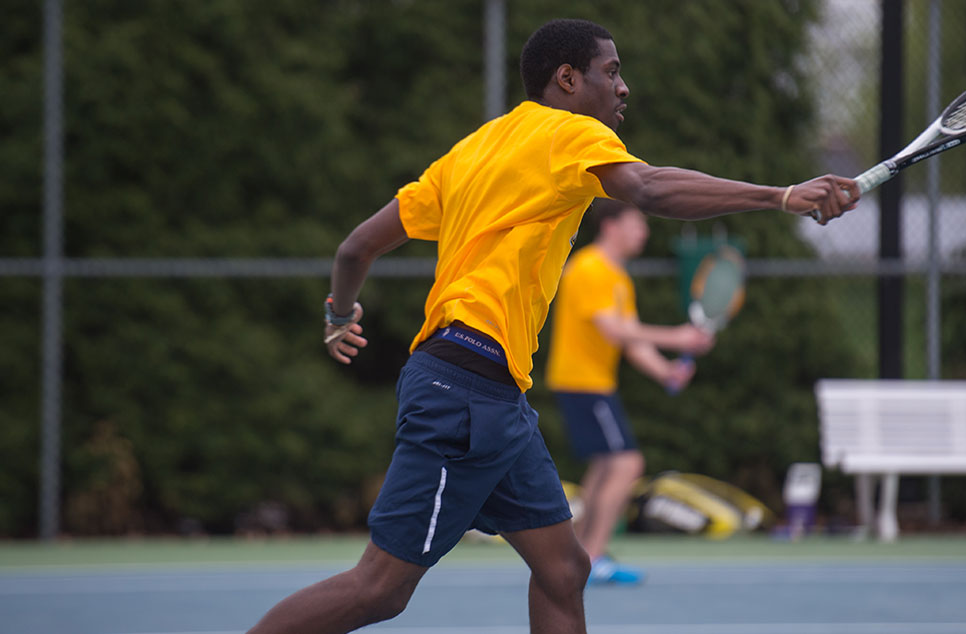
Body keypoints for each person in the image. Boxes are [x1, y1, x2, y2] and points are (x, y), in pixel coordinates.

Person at [247, 17, 858, 634]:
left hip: (489, 395)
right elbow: (647, 187)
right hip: (461, 391)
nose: (623, 88)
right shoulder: (567, 133)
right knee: (379, 590)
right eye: (611, 72)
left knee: (564, 569)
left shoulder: (470, 152)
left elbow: (356, 248)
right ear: (567, 79)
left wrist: (339, 313)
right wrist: (778, 196)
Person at [546, 199, 713, 585]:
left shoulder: (618, 278)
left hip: (594, 384)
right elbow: (613, 330)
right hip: (581, 383)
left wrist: (665, 371)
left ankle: (576, 555)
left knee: (606, 466)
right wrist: (677, 336)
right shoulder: (589, 268)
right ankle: (593, 555)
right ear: (611, 227)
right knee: (626, 464)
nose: (645, 232)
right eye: (637, 224)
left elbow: (632, 340)